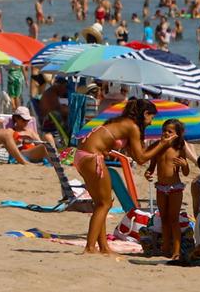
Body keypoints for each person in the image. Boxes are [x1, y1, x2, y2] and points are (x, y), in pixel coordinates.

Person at [70, 98, 167, 254]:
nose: (151, 122)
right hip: (92, 157)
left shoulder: (121, 122)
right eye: (151, 117)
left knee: (100, 203)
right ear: (145, 114)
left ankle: (103, 247)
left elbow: (137, 156)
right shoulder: (132, 126)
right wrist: (162, 144)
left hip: (81, 156)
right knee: (105, 204)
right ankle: (89, 248)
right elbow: (142, 158)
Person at [149, 119, 191, 260]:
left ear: (178, 134)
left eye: (170, 131)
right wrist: (148, 173)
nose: (166, 133)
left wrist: (184, 164)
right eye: (164, 131)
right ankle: (165, 248)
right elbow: (151, 167)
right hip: (160, 187)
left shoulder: (179, 149)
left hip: (175, 188)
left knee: (174, 219)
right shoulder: (157, 147)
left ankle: (177, 250)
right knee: (164, 218)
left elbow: (185, 173)